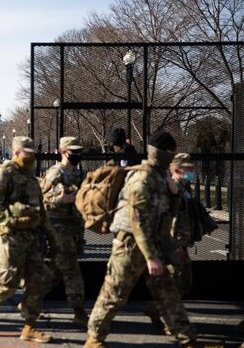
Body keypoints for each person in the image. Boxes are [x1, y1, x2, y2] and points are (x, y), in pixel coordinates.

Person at [85, 131, 210, 348]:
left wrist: (174, 194)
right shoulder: (143, 178)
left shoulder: (162, 177)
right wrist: (151, 256)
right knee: (114, 294)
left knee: (168, 293)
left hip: (153, 242)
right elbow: (137, 221)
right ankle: (94, 339)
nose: (173, 156)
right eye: (171, 151)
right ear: (162, 153)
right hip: (130, 245)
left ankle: (188, 338)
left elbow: (165, 215)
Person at [0, 136, 53, 343]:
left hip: (32, 237)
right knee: (6, 285)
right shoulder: (3, 174)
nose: (31, 156)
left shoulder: (31, 177)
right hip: (11, 236)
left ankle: (29, 326)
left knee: (37, 281)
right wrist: (13, 219)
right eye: (27, 152)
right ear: (16, 152)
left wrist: (52, 235)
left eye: (33, 152)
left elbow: (40, 209)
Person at [143, 153, 200, 334]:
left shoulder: (184, 188)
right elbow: (170, 219)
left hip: (181, 243)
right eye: (189, 169)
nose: (192, 172)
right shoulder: (170, 189)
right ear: (176, 170)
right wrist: (176, 245)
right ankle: (169, 322)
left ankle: (154, 308)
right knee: (174, 285)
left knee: (185, 282)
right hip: (173, 245)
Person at [41, 136, 88, 327]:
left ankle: (30, 299)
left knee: (56, 271)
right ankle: (79, 311)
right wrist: (62, 200)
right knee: (72, 269)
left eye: (79, 151)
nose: (76, 155)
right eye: (73, 152)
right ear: (62, 152)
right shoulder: (55, 172)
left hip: (74, 226)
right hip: (58, 227)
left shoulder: (79, 173)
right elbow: (43, 198)